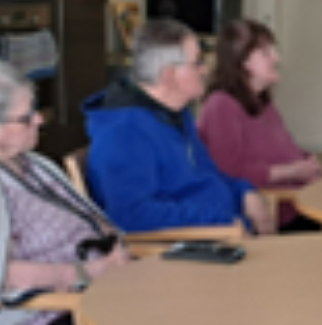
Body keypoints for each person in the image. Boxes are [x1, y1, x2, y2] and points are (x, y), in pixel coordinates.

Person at [83, 19, 274, 235]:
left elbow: (207, 175)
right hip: (192, 251)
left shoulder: (174, 113)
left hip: (225, 233)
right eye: (197, 62)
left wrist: (244, 193)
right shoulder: (123, 132)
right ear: (169, 75)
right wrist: (223, 222)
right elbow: (131, 216)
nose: (204, 69)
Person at [0, 62, 129, 325]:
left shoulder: (35, 163)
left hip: (105, 290)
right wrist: (85, 273)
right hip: (48, 318)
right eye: (27, 115)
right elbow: (6, 276)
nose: (40, 119)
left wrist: (115, 247)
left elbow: (87, 215)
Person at [197, 19, 322, 231]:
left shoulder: (262, 102)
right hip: (276, 213)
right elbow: (228, 171)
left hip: (301, 201)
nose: (277, 58)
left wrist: (308, 161)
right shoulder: (221, 106)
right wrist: (291, 172)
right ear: (242, 61)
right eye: (266, 53)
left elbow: (285, 148)